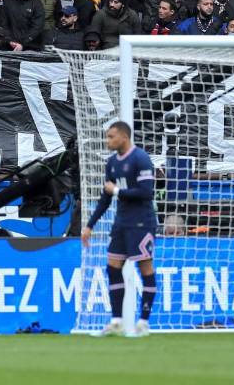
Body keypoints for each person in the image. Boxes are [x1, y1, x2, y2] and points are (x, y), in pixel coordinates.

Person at [81, 121, 158, 338]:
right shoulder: (112, 162)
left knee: (145, 269)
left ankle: (143, 323)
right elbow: (105, 198)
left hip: (142, 223)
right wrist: (89, 225)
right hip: (121, 223)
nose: (108, 141)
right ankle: (116, 321)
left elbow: (146, 192)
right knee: (113, 267)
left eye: (111, 137)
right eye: (107, 137)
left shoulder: (140, 158)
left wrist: (116, 190)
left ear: (124, 137)